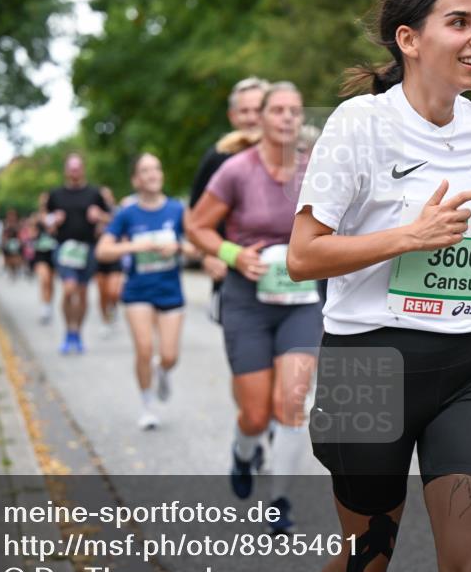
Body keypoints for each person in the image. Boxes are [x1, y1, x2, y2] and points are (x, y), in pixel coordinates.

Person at [287, 0, 471, 572]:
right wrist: (408, 237)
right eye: (459, 22)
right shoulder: (359, 125)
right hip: (368, 361)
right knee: (370, 558)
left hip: (469, 362)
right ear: (409, 39)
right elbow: (303, 255)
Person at [189, 82, 322, 534]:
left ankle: (279, 500)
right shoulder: (236, 170)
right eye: (278, 110)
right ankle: (243, 452)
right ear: (261, 118)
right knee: (255, 414)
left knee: (292, 401)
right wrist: (231, 255)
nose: (286, 117)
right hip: (247, 300)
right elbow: (197, 226)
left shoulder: (315, 169)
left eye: (294, 110)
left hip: (301, 301)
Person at [96, 153, 195, 430]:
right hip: (138, 291)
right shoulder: (127, 213)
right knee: (143, 349)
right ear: (136, 179)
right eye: (145, 170)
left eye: (156, 169)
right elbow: (102, 250)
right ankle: (147, 407)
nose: (152, 174)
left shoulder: (177, 210)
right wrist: (134, 247)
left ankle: (163, 371)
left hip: (170, 291)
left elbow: (197, 247)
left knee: (169, 356)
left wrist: (177, 247)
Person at [190, 77, 269, 322]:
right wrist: (208, 255)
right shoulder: (218, 158)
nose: (251, 117)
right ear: (232, 116)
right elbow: (194, 217)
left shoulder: (296, 155)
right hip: (234, 272)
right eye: (244, 111)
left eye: (257, 110)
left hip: (288, 276)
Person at [45, 153, 110, 354]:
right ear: (66, 170)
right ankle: (68, 330)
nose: (74, 171)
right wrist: (52, 220)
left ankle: (77, 333)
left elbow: (111, 218)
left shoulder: (94, 193)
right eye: (70, 167)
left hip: (88, 248)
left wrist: (99, 216)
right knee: (69, 288)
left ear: (82, 169)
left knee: (82, 293)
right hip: (65, 248)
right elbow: (44, 220)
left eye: (77, 167)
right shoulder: (56, 195)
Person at [94, 186, 123, 337]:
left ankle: (113, 310)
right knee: (102, 292)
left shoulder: (117, 212)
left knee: (114, 291)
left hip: (115, 256)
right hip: (99, 258)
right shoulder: (92, 213)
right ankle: (105, 320)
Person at [32, 195, 58, 325]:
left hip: (53, 252)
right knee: (45, 279)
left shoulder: (55, 216)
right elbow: (31, 234)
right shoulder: (36, 218)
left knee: (51, 281)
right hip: (41, 253)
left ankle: (49, 304)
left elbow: (57, 231)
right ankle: (44, 305)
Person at [2, 209, 23, 280]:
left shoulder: (17, 223)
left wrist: (20, 241)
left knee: (16, 257)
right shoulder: (6, 223)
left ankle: (16, 270)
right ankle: (11, 271)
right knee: (9, 257)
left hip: (15, 242)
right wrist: (4, 241)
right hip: (8, 242)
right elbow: (4, 234)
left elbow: (19, 233)